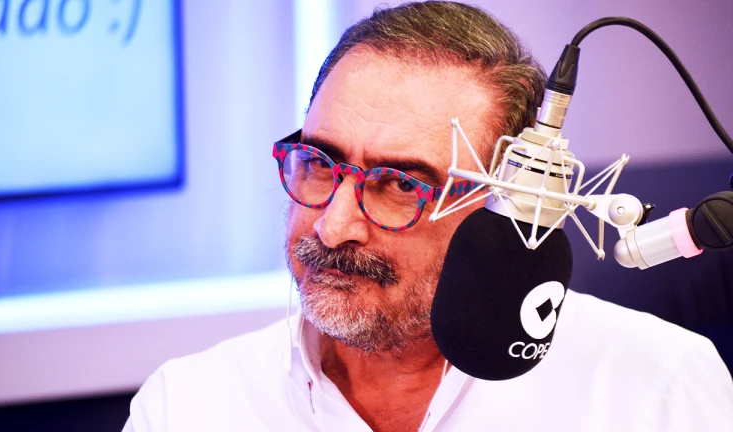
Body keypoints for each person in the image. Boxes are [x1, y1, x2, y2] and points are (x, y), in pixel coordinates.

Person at [123, 2, 733, 431]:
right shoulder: (187, 406)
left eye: (399, 184)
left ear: (506, 205)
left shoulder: (656, 388)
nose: (332, 227)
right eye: (319, 163)